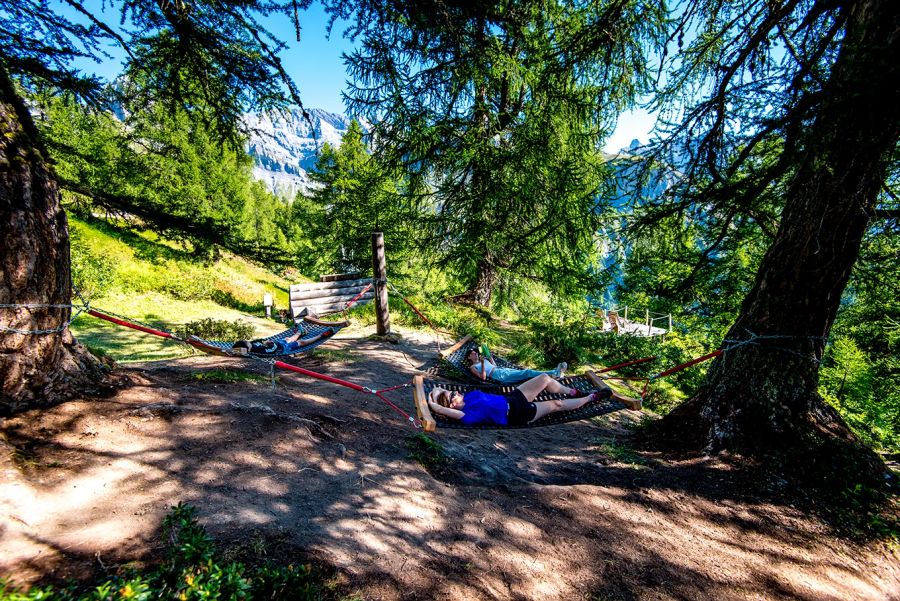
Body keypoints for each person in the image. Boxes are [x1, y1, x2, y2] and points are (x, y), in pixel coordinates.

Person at [427, 374, 628, 427]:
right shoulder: (466, 415)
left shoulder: (469, 396)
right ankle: (590, 398)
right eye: (454, 395)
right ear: (453, 404)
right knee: (556, 405)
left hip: (511, 398)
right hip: (516, 414)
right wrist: (435, 403)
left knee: (544, 378)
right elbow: (439, 408)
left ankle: (572, 391)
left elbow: (438, 388)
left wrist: (437, 391)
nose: (456, 392)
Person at [467, 348, 566, 384]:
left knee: (526, 373)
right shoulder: (473, 367)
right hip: (499, 375)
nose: (475, 353)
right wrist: (483, 363)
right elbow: (483, 378)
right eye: (472, 353)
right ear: (468, 357)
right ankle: (554, 372)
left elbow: (494, 366)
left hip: (501, 370)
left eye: (475, 352)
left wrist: (490, 357)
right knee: (527, 373)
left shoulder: (483, 360)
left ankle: (553, 373)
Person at [231, 327, 334, 356]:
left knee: (288, 339)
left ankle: (300, 332)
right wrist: (270, 343)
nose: (250, 342)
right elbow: (272, 349)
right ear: (248, 348)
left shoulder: (253, 345)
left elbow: (259, 340)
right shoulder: (258, 350)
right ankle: (321, 335)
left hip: (279, 343)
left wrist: (266, 341)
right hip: (282, 348)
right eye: (248, 343)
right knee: (301, 342)